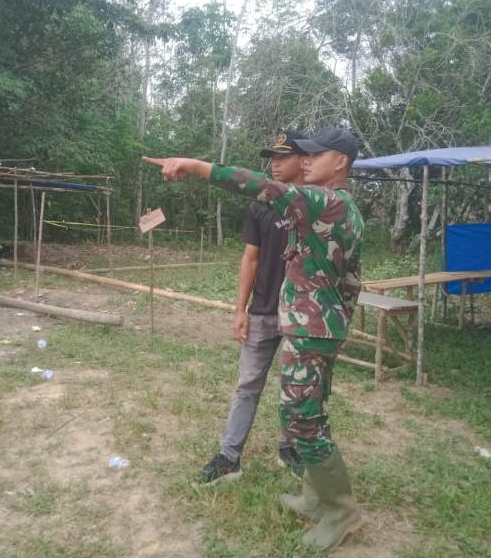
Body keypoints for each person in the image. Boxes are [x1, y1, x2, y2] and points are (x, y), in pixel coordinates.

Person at [143, 127, 364, 552]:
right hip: (315, 324)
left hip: (311, 327)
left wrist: (193, 165)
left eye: (316, 156)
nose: (306, 161)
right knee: (310, 415)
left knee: (300, 418)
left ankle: (341, 512)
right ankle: (317, 498)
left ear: (341, 163)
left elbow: (257, 184)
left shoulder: (328, 201)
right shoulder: (331, 205)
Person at [200, 130, 308, 486]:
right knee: (247, 385)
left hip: (302, 313)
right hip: (263, 309)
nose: (275, 164)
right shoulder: (261, 204)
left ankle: (290, 448)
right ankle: (229, 458)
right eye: (272, 158)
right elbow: (250, 258)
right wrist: (240, 309)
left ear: (303, 159)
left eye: (283, 156)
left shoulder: (316, 202)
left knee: (297, 388)